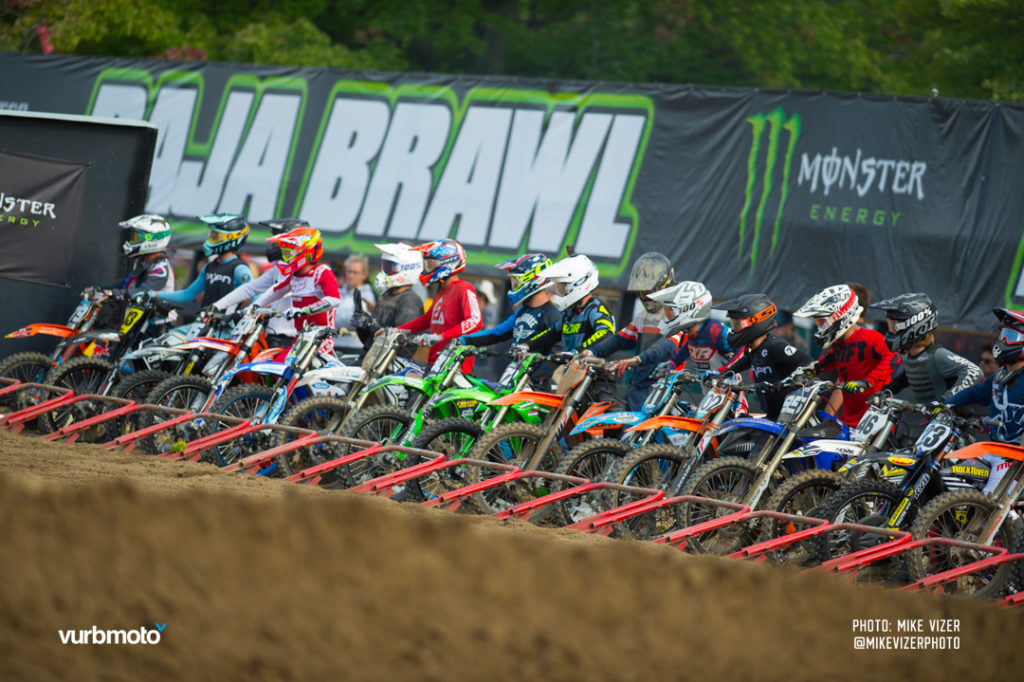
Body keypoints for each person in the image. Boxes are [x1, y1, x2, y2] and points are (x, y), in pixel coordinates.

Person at [793, 283, 898, 428]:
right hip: (848, 419)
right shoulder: (839, 344)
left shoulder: (871, 337)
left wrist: (867, 382)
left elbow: (894, 359)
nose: (820, 327)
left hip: (874, 419)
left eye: (822, 321)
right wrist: (807, 371)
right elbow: (825, 362)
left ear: (840, 316)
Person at [585, 252, 680, 410]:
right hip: (638, 387)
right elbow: (619, 339)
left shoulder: (678, 314)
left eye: (650, 291)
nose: (646, 297)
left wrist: (638, 359)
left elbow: (667, 346)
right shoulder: (644, 316)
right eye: (642, 292)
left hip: (664, 388)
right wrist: (591, 352)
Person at [946, 308, 1024, 494]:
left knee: (988, 500)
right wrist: (946, 404)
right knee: (954, 482)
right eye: (1002, 334)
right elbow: (975, 393)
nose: (1002, 341)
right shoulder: (1000, 375)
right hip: (993, 450)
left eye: (1010, 336)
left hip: (1014, 456)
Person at [211, 218, 310, 348]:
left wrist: (245, 311)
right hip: (273, 336)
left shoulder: (307, 272)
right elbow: (250, 288)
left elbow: (275, 293)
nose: (275, 244)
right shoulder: (280, 268)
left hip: (294, 340)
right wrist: (216, 306)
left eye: (279, 241)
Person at [461, 254, 562, 381]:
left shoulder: (552, 315)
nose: (513, 286)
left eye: (516, 281)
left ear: (534, 281)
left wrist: (536, 378)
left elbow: (557, 352)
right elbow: (497, 333)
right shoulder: (523, 310)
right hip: (513, 377)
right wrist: (463, 340)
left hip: (532, 385)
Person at [712, 294, 812, 420]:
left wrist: (784, 383)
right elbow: (746, 361)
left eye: (737, 325)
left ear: (755, 322)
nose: (734, 330)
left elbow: (807, 362)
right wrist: (721, 376)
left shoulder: (776, 346)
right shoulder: (756, 350)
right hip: (773, 416)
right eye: (733, 325)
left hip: (792, 419)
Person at [874, 293, 981, 402]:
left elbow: (975, 371)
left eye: (894, 327)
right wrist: (887, 390)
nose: (891, 331)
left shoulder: (937, 355)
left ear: (913, 325)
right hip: (927, 412)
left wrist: (946, 400)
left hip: (950, 412)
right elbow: (911, 374)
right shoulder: (909, 354)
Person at [252, 226, 341, 355]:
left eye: (289, 253)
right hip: (300, 338)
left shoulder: (322, 271)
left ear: (304, 252)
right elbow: (276, 291)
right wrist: (252, 308)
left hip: (321, 340)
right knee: (274, 364)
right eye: (285, 253)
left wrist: (305, 310)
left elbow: (334, 300)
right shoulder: (295, 276)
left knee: (298, 367)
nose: (286, 258)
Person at [397, 238, 482, 368]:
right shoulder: (441, 291)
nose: (427, 269)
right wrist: (397, 330)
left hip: (455, 366)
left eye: (430, 265)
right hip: (435, 362)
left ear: (446, 263)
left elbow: (475, 321)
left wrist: (440, 337)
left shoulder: (464, 287)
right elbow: (427, 320)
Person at [157, 214, 254, 312]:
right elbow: (187, 294)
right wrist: (155, 294)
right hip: (205, 319)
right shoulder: (209, 267)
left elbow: (256, 292)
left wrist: (248, 315)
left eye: (215, 236)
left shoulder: (239, 269)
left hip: (227, 322)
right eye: (211, 235)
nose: (210, 240)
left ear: (230, 238)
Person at [352, 243, 424, 358]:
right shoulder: (387, 296)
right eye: (384, 266)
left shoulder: (410, 300)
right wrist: (362, 325)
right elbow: (369, 341)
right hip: (372, 359)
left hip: (390, 364)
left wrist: (372, 326)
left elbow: (399, 343)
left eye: (389, 267)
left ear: (407, 269)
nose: (384, 272)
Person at [650, 281, 733, 374]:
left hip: (728, 382)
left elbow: (741, 346)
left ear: (689, 308)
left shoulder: (712, 329)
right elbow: (686, 350)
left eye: (672, 311)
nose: (669, 316)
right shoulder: (693, 333)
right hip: (708, 382)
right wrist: (671, 364)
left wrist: (725, 371)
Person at [106, 214, 176, 294]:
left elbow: (142, 293)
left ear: (152, 239)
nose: (133, 241)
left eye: (137, 238)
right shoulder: (145, 261)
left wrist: (111, 293)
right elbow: (127, 281)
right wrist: (100, 288)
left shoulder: (160, 269)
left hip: (150, 302)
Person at [335, 253, 377, 353]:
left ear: (364, 275)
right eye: (349, 271)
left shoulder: (367, 296)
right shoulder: (339, 292)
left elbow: (358, 323)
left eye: (355, 272)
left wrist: (333, 320)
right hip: (334, 343)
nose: (351, 275)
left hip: (354, 347)